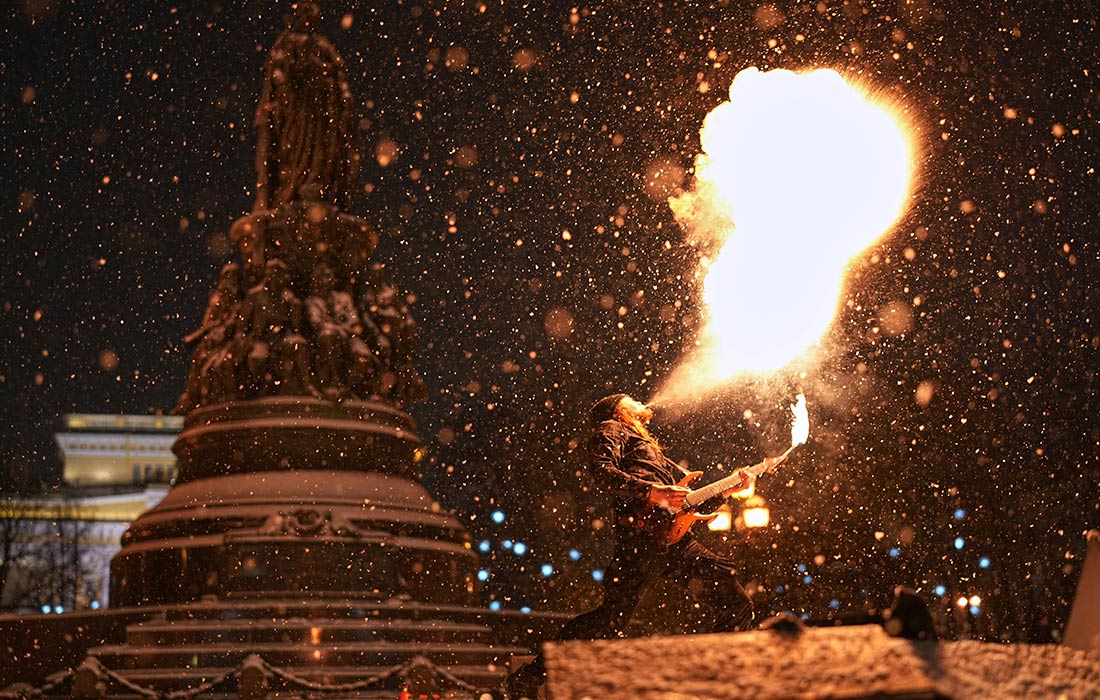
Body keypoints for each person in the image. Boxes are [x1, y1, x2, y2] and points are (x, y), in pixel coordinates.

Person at [506, 393, 756, 698]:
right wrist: (652, 493)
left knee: (737, 602)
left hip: (675, 539)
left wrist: (732, 489)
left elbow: (686, 501)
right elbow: (602, 472)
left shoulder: (649, 447)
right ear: (619, 410)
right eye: (631, 399)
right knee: (611, 619)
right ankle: (531, 675)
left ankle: (718, 682)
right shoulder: (610, 428)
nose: (640, 401)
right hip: (640, 539)